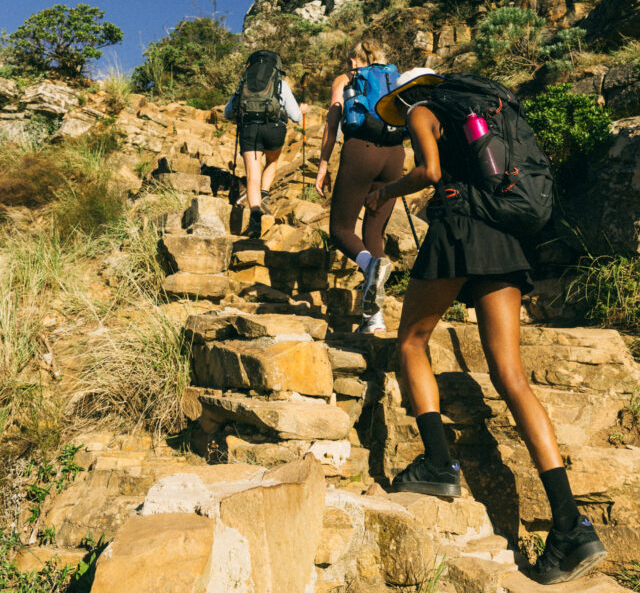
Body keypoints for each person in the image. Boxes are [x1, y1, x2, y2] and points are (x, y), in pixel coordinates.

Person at [366, 67, 607, 585]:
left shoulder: (422, 111)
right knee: (511, 376)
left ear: (410, 93)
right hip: (502, 234)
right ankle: (570, 525)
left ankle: (436, 463)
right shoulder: (483, 112)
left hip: (458, 229)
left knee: (410, 341)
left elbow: (430, 173)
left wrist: (387, 191)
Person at [315, 37, 404, 334]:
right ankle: (374, 319)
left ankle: (370, 267)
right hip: (394, 154)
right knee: (373, 232)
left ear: (354, 60)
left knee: (340, 230)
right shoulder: (395, 78)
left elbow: (333, 122)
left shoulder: (347, 78)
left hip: (360, 151)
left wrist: (324, 164)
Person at [225, 51, 309, 238]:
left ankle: (255, 217)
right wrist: (302, 110)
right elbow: (295, 116)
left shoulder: (244, 82)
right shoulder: (280, 82)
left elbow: (228, 112)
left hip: (249, 131)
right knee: (272, 160)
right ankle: (264, 194)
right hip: (274, 129)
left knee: (252, 175)